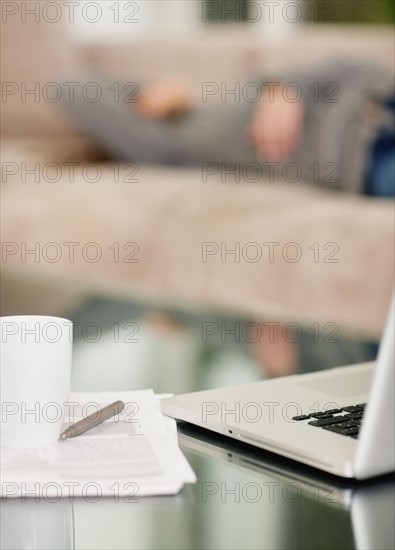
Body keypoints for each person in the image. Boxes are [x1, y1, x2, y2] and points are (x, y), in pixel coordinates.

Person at [62, 61, 395, 376]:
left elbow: (358, 65)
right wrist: (141, 95)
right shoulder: (176, 146)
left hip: (378, 99)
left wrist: (283, 87)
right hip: (366, 158)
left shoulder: (235, 96)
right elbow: (70, 88)